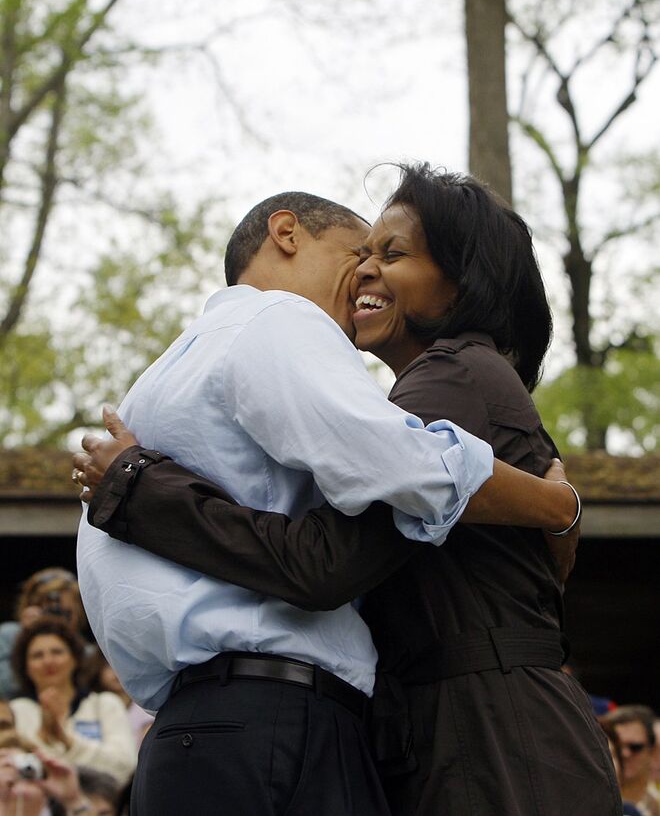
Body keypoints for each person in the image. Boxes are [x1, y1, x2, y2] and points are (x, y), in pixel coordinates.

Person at [75, 189, 581, 816]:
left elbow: (330, 546)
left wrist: (138, 487)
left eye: (388, 255)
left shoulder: (170, 372)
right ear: (286, 233)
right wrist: (556, 505)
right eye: (358, 252)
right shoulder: (278, 320)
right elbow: (404, 468)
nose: (366, 271)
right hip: (272, 720)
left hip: (202, 728)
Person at [9, 619, 135, 785]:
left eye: (57, 652)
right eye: (37, 655)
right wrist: (44, 736)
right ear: (25, 667)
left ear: (75, 658)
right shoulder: (15, 711)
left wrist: (68, 742)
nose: (48, 661)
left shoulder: (105, 704)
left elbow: (125, 765)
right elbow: (11, 771)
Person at [0, 569, 86, 700]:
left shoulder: (87, 651)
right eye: (51, 612)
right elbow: (4, 688)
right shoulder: (10, 634)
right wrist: (25, 637)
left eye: (65, 613)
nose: (56, 622)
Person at [602, 705, 660, 816]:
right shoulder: (591, 802)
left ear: (652, 750)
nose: (625, 754)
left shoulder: (656, 801)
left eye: (635, 747)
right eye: (617, 748)